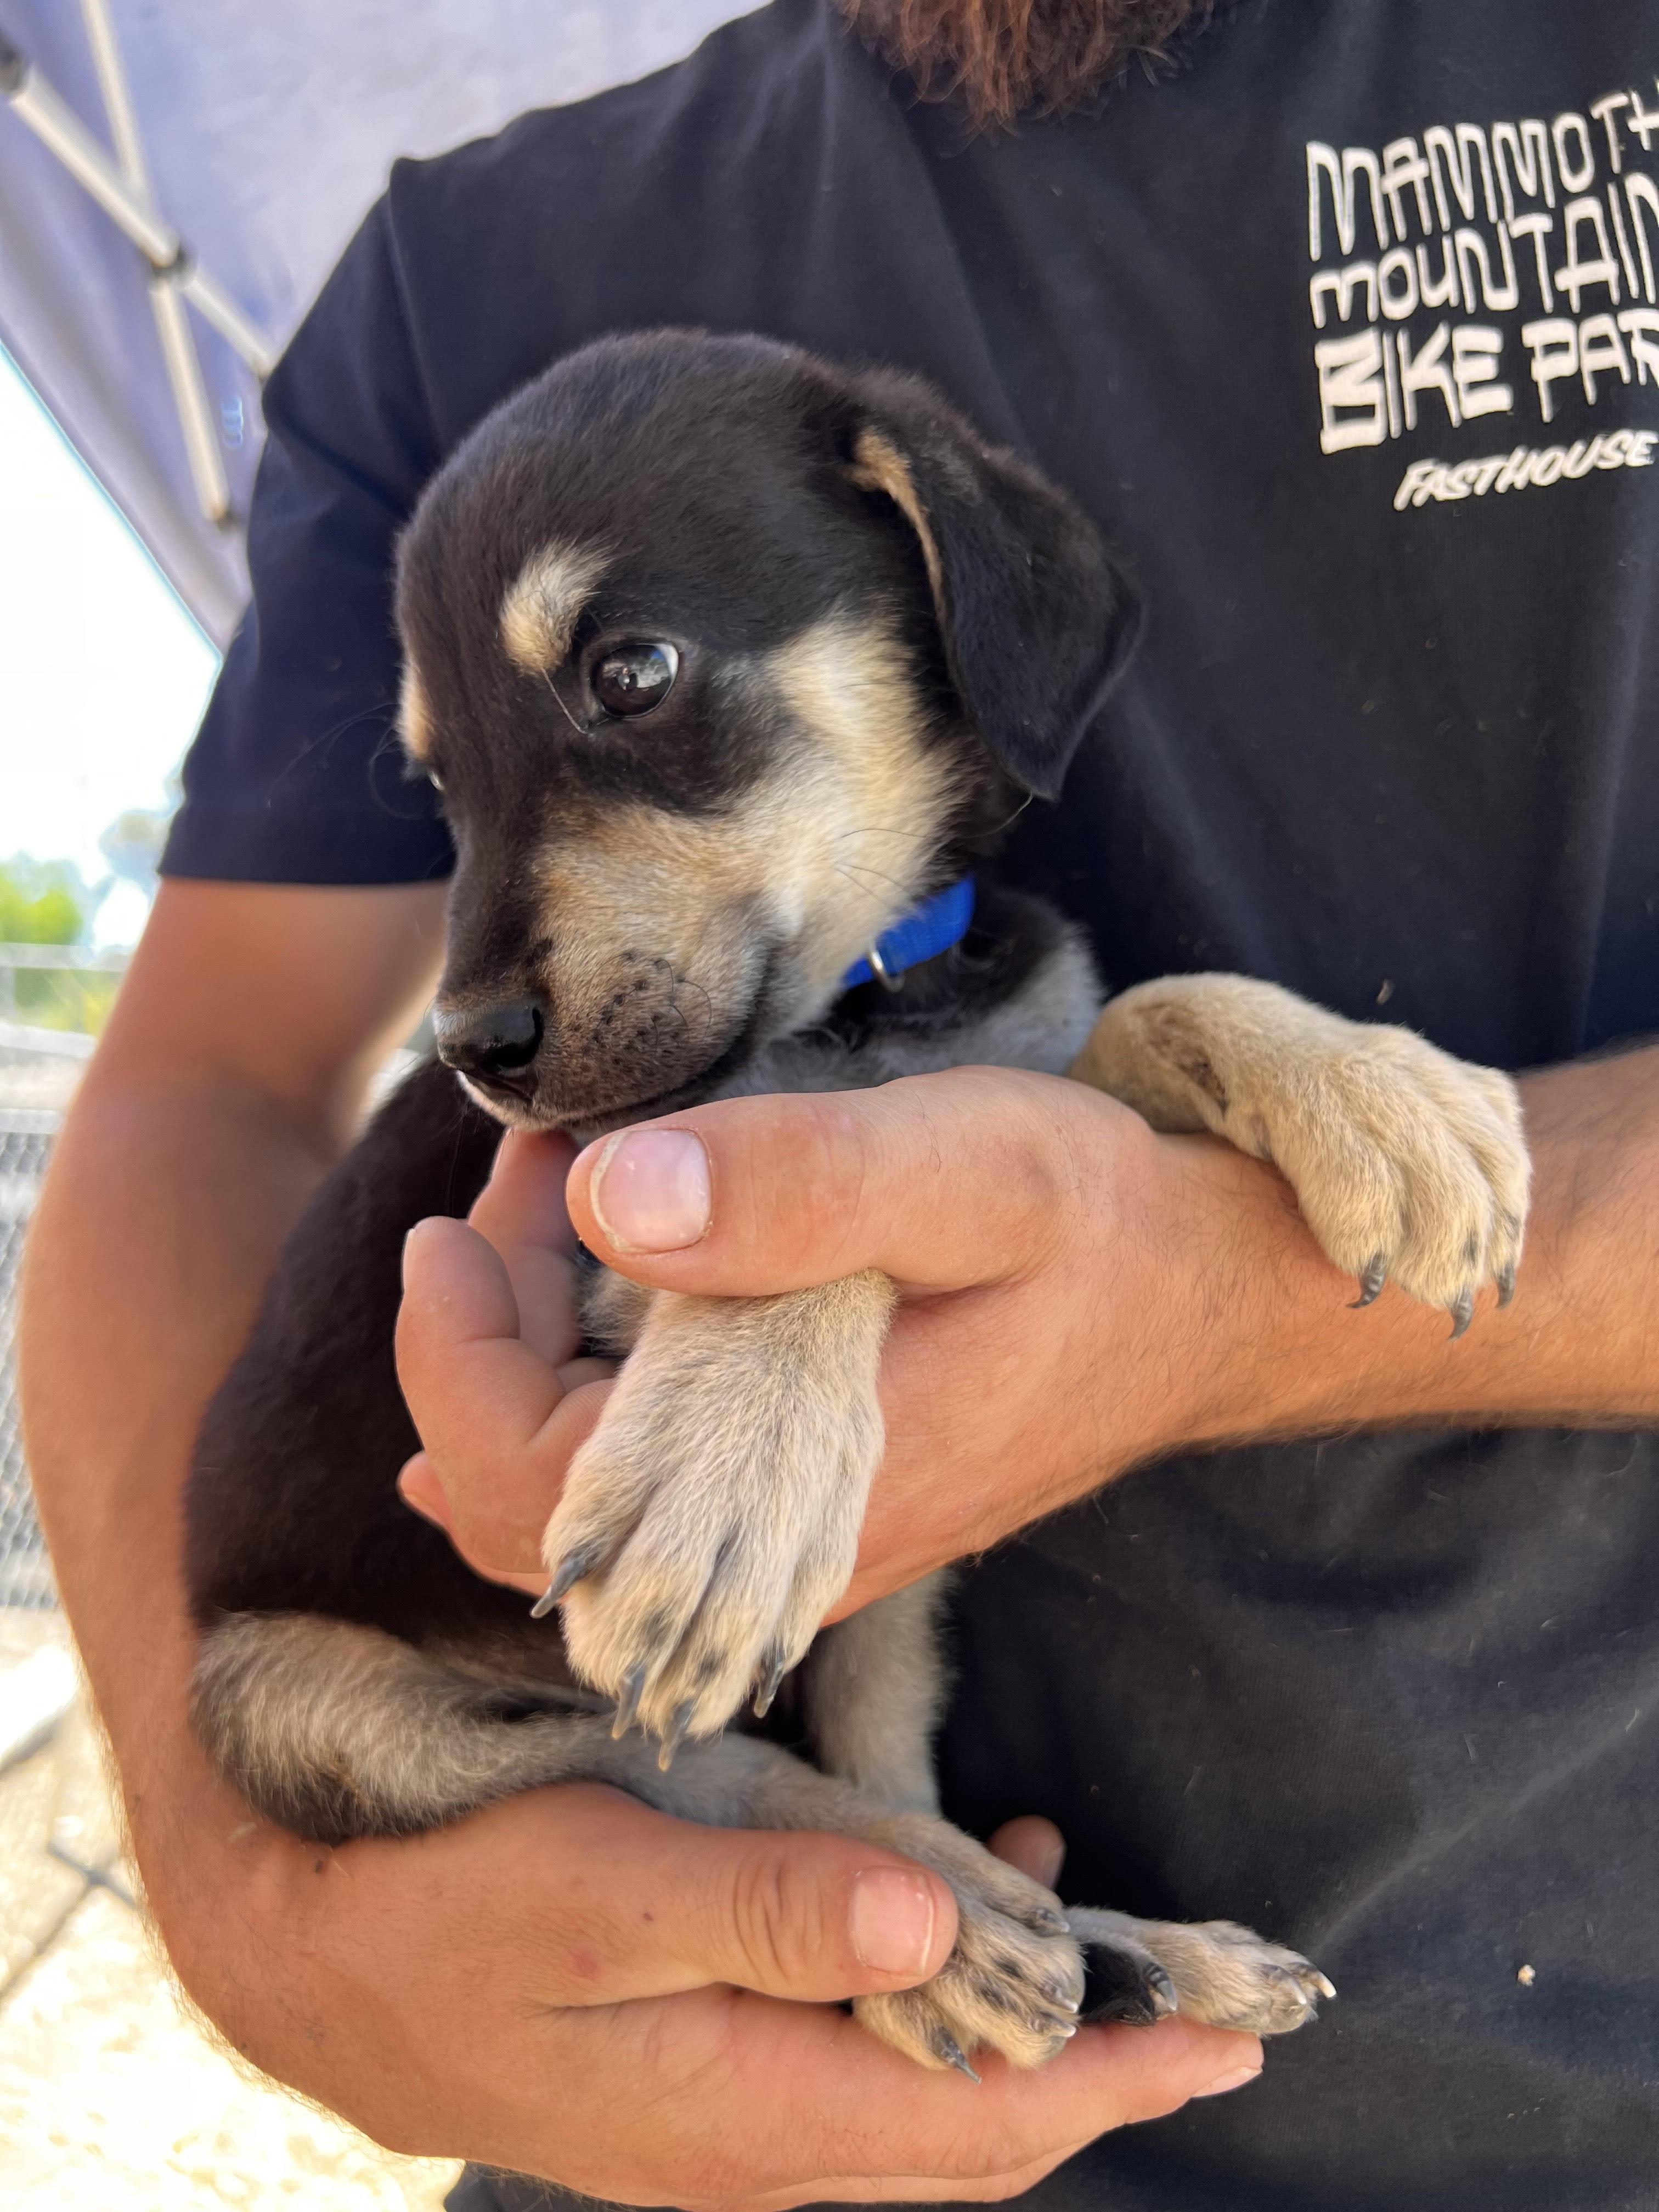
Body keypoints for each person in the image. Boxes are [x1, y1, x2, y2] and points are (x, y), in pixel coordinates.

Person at [19, 2, 1659, 2205]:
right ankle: (891, 1881)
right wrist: (251, 1895)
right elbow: (209, 1078)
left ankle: (924, 1888)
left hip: (1565, 2065)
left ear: (951, 585)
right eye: (461, 791)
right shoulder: (460, 281)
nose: (489, 975)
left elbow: (1071, 1099)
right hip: (627, 2050)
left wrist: (1232, 1272)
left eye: (630, 686)